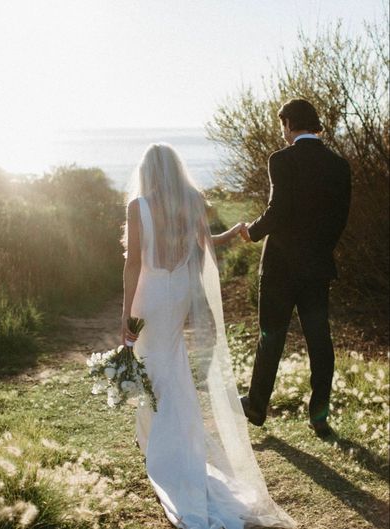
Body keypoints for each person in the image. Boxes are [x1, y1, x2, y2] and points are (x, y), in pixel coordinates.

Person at [122, 143, 296, 529]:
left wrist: (125, 316)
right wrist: (232, 233)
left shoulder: (139, 207)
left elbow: (134, 264)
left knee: (151, 367)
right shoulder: (191, 200)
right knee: (172, 364)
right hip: (178, 294)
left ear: (148, 171)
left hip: (149, 297)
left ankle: (161, 446)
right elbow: (204, 243)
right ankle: (171, 441)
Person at [239, 98, 351, 438]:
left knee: (270, 336)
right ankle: (319, 415)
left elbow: (278, 209)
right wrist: (320, 250)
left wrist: (252, 232)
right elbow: (340, 218)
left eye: (282, 125)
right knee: (320, 340)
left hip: (280, 269)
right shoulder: (339, 164)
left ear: (288, 123)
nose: (283, 133)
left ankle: (257, 406)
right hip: (317, 267)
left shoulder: (281, 160)